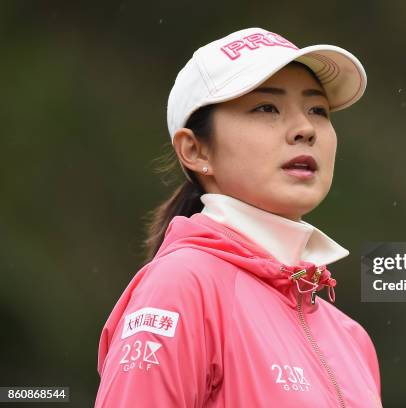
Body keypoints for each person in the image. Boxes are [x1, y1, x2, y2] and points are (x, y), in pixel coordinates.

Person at [94, 27, 381, 407]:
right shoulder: (181, 286)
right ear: (195, 150)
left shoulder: (352, 339)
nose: (305, 130)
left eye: (317, 110)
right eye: (266, 108)